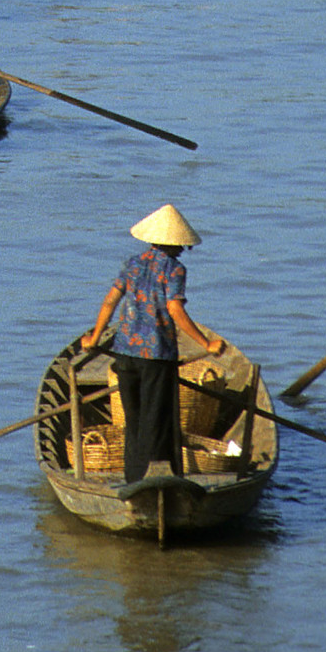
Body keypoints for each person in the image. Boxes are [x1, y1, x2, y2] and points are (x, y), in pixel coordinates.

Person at [80, 204, 225, 484]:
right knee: (156, 421)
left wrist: (94, 338)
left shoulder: (132, 264)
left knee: (133, 421)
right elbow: (175, 310)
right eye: (182, 244)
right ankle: (157, 481)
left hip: (124, 353)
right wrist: (206, 343)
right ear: (176, 243)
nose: (184, 249)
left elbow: (110, 301)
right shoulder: (175, 270)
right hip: (157, 356)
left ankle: (134, 480)